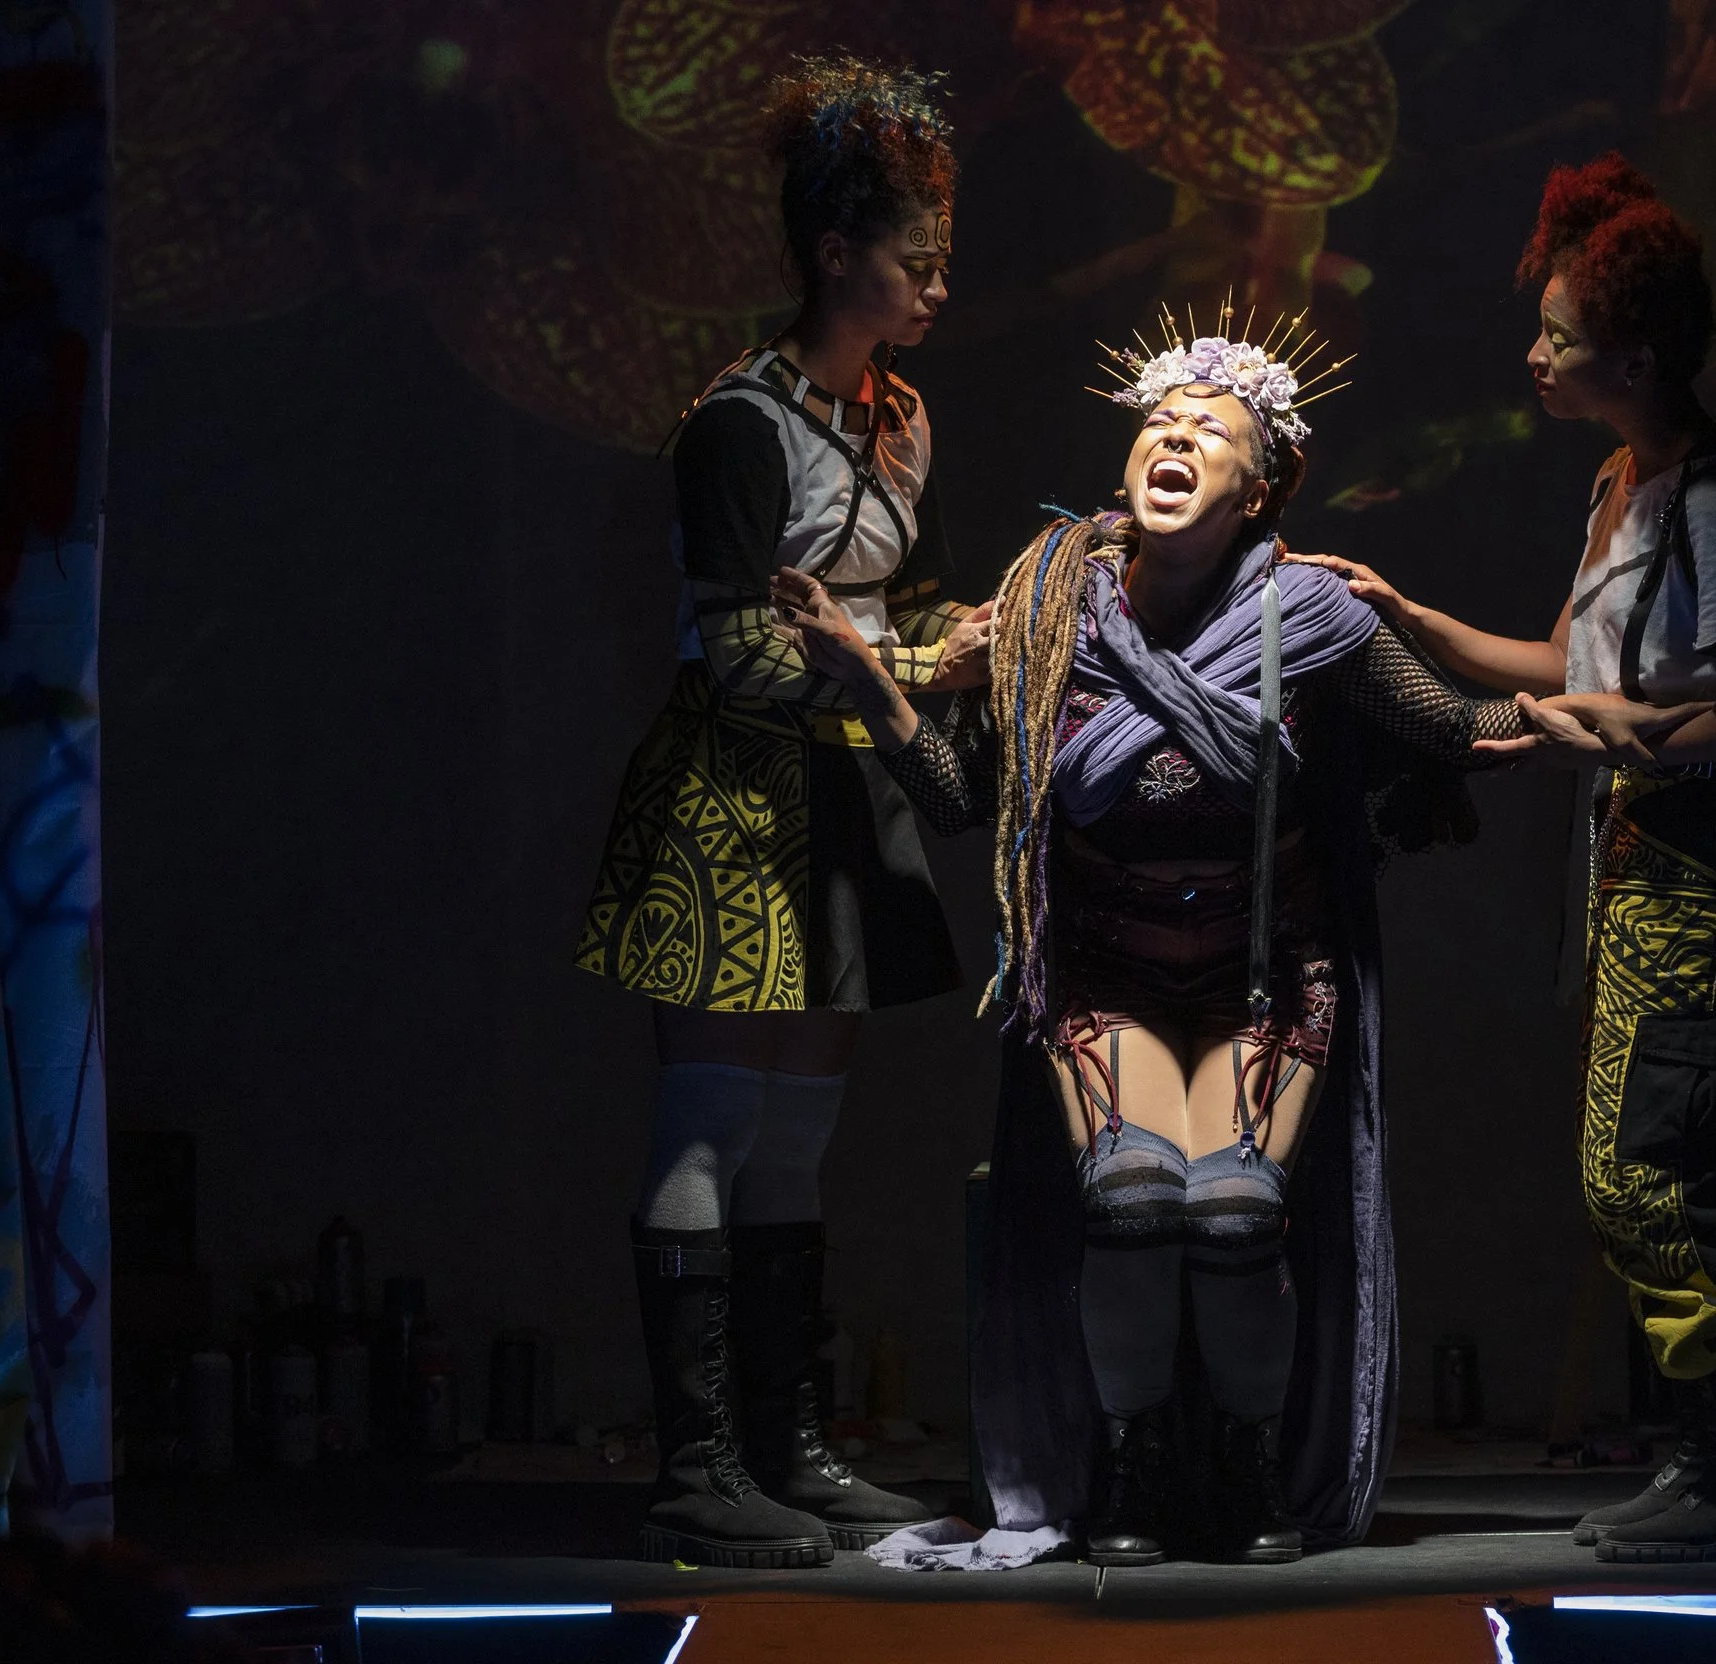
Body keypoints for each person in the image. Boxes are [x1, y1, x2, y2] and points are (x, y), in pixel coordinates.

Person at [775, 315, 1522, 1563]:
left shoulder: (1309, 614)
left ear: (1260, 485)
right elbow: (961, 802)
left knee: (1231, 1212)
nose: (1174, 437)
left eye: (1209, 429)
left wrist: (1601, 709)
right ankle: (1127, 1465)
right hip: (1105, 965)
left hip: (1262, 970)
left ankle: (1243, 1464)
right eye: (1158, 422)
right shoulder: (1048, 601)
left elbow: (1456, 726)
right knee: (1129, 1201)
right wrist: (864, 673)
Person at [1292, 153, 1716, 1562]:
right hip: (1642, 854)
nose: (1534, 354)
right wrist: (1405, 614)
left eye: (1559, 335)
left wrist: (1635, 735)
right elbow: (1562, 663)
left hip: (1707, 862)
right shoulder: (1618, 482)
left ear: (1633, 357)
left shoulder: (1710, 497)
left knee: (1657, 1165)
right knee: (1625, 1166)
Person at [572, 56, 990, 1569]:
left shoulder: (901, 417)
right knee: (713, 1117)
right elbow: (746, 653)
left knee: (798, 1138)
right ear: (832, 253)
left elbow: (900, 603)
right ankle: (697, 1468)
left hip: (843, 788)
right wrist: (912, 663)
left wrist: (941, 634)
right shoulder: (737, 427)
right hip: (734, 800)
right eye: (912, 259)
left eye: (941, 259)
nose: (935, 285)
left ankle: (786, 1445)